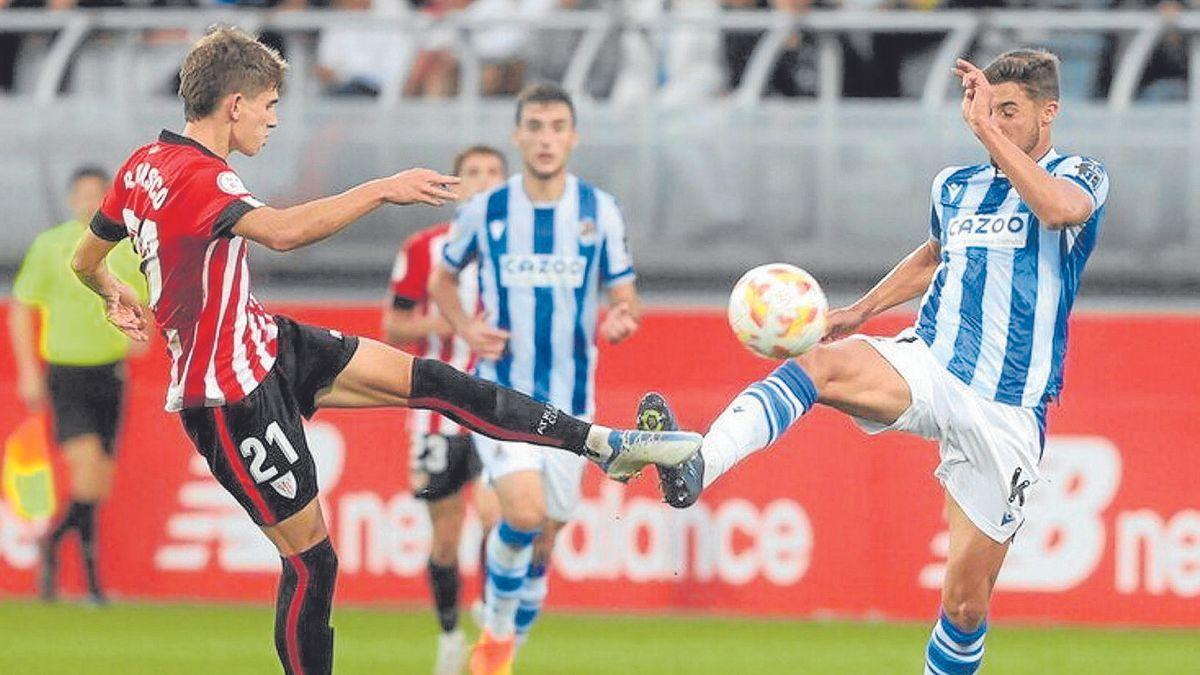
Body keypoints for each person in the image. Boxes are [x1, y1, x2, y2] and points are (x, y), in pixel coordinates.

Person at [68, 27, 699, 675]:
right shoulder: (205, 179)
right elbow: (283, 233)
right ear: (235, 105)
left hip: (268, 342)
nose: (274, 119)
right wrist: (381, 188)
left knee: (436, 379)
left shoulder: (144, 164)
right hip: (229, 396)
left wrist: (109, 287)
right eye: (269, 104)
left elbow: (84, 257)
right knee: (313, 562)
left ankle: (603, 444)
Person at [649, 49, 1109, 675]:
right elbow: (933, 255)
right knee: (820, 367)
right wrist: (861, 311)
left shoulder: (1079, 174)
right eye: (989, 110)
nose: (995, 121)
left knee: (965, 605)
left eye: (1010, 112)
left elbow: (1057, 210)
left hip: (1007, 406)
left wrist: (986, 131)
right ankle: (700, 460)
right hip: (930, 361)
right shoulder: (955, 186)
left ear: (1048, 111)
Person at [429, 82, 642, 675]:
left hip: (574, 405)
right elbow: (442, 282)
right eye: (536, 127)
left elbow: (624, 291)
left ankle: (507, 649)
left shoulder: (599, 210)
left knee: (543, 539)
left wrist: (623, 315)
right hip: (500, 392)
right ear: (518, 136)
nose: (546, 139)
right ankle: (494, 638)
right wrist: (466, 330)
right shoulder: (486, 210)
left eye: (557, 128)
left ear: (573, 137)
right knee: (519, 514)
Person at [381, 144, 506, 675]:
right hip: (439, 409)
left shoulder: (523, 249)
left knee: (503, 518)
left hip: (503, 407)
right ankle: (451, 633)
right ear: (455, 185)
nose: (481, 181)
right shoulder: (425, 248)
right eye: (472, 172)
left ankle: (493, 618)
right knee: (447, 535)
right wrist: (456, 325)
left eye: (492, 173)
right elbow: (395, 326)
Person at [9, 166, 148, 605]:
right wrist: (29, 371)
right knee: (86, 472)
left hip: (110, 372)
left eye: (99, 195)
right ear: (73, 200)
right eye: (84, 194)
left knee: (98, 485)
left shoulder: (126, 248)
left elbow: (145, 300)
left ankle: (72, 565)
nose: (91, 202)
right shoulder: (52, 246)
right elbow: (21, 306)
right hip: (66, 372)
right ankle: (82, 574)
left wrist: (145, 328)